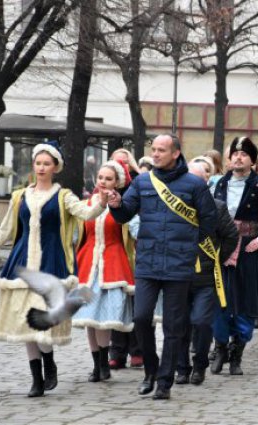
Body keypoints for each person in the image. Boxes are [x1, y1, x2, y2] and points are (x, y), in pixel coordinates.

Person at [0, 141, 108, 397]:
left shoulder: (64, 196)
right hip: (22, 263)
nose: (41, 168)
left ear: (55, 167)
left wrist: (102, 202)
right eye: (38, 163)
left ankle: (49, 360)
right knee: (24, 322)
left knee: (41, 323)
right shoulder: (20, 196)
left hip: (51, 264)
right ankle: (36, 379)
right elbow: (4, 231)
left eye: (46, 164)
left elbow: (86, 214)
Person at [108, 134, 217, 400]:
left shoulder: (194, 185)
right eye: (153, 149)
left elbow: (209, 221)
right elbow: (125, 214)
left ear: (175, 153)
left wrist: (190, 247)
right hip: (148, 262)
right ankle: (150, 370)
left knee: (173, 325)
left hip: (180, 265)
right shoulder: (144, 181)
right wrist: (116, 205)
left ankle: (165, 381)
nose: (155, 154)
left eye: (161, 150)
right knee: (141, 318)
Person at [209, 137, 258, 375]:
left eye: (243, 154)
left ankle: (237, 352)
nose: (237, 157)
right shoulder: (218, 184)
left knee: (245, 303)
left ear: (252, 160)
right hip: (221, 250)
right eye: (234, 153)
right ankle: (221, 345)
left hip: (247, 251)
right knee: (219, 301)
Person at [72, 160, 137, 383]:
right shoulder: (86, 203)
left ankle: (104, 363)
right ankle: (97, 365)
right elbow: (76, 233)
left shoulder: (123, 205)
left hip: (112, 263)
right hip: (87, 263)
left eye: (108, 178)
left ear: (117, 182)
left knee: (104, 318)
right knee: (89, 318)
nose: (103, 181)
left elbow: (132, 232)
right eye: (100, 177)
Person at [175, 161, 238, 386]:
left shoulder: (217, 207)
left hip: (206, 278)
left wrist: (216, 260)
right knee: (179, 324)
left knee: (201, 322)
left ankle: (200, 364)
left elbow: (231, 237)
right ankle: (182, 367)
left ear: (205, 182)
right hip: (178, 274)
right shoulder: (173, 205)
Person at [108, 149, 143, 369]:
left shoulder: (137, 188)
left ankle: (137, 349)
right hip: (114, 255)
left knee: (137, 303)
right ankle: (117, 350)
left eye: (124, 161)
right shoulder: (102, 191)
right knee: (117, 303)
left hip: (135, 253)